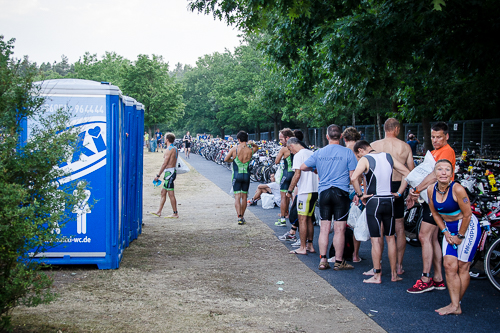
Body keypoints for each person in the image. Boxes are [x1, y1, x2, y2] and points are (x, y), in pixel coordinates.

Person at [406, 121, 456, 293]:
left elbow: (435, 175)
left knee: (424, 236)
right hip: (433, 199)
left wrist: (417, 189)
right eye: (433, 137)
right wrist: (416, 190)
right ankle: (438, 278)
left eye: (439, 137)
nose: (435, 140)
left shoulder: (447, 151)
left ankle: (426, 278)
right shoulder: (435, 152)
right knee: (432, 238)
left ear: (446, 136)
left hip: (440, 199)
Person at [351, 140, 410, 283]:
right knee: (390, 238)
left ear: (360, 150)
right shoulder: (388, 157)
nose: (358, 158)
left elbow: (353, 178)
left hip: (374, 201)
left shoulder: (365, 159)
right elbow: (407, 173)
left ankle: (377, 275)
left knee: (376, 240)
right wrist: (400, 192)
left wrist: (360, 195)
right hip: (390, 200)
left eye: (357, 156)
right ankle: (394, 274)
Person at [427, 159, 480, 315]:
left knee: (462, 266)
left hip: (466, 226)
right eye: (440, 169)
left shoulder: (457, 189)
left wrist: (460, 236)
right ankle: (454, 305)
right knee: (449, 265)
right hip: (448, 229)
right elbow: (435, 214)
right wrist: (445, 232)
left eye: (447, 170)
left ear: (452, 173)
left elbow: (468, 214)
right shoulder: (431, 189)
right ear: (435, 173)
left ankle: (455, 304)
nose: (443, 173)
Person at [301, 124, 357, 270]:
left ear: (327, 137)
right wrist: (358, 192)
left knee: (324, 228)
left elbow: (302, 167)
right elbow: (353, 175)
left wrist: (315, 169)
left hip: (324, 192)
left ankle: (323, 260)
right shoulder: (348, 153)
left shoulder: (319, 152)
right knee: (340, 229)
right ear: (341, 137)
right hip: (341, 193)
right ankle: (339, 261)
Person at [369, 118, 415, 276]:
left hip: (379, 187)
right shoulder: (405, 146)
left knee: (379, 228)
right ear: (396, 129)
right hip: (396, 187)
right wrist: (404, 192)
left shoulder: (374, 145)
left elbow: (366, 168)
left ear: (384, 128)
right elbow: (411, 172)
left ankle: (378, 264)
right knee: (399, 228)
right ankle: (399, 265)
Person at [286, 137, 318, 255]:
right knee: (309, 218)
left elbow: (297, 174)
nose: (291, 152)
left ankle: (302, 247)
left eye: (290, 149)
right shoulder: (312, 152)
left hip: (305, 190)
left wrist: (290, 190)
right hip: (315, 190)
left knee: (302, 219)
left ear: (292, 145)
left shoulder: (299, 155)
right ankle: (310, 245)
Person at [224, 131, 259, 225]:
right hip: (246, 175)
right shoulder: (250, 150)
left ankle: (239, 216)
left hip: (236, 175)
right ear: (247, 139)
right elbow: (257, 148)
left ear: (238, 139)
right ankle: (242, 216)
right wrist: (252, 143)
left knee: (237, 197)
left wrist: (233, 160)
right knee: (244, 197)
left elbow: (225, 159)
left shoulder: (234, 149)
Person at [341, 127, 362, 263]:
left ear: (345, 138)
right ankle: (355, 254)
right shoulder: (361, 151)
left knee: (342, 222)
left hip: (344, 188)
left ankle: (341, 252)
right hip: (357, 189)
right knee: (356, 222)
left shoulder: (343, 152)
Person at [153, 133, 179, 218]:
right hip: (171, 172)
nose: (164, 140)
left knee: (171, 194)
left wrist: (158, 175)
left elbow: (165, 163)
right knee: (163, 192)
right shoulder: (175, 148)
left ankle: (175, 213)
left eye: (164, 138)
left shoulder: (169, 149)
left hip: (169, 173)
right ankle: (159, 211)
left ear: (167, 139)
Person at [274, 128, 295, 227]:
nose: (280, 142)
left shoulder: (284, 149)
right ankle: (293, 217)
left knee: (283, 197)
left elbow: (276, 161)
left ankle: (282, 219)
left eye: (281, 139)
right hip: (296, 174)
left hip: (286, 173)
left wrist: (282, 157)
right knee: (292, 196)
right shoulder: (297, 146)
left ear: (287, 138)